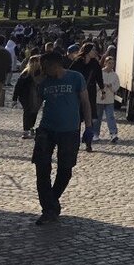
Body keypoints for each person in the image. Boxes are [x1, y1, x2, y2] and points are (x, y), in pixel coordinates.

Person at [33, 50, 92, 225]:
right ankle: (48, 209)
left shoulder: (76, 78)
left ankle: (52, 199)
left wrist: (89, 127)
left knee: (65, 170)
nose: (43, 70)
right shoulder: (44, 82)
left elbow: (85, 102)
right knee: (41, 167)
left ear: (55, 65)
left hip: (69, 130)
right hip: (47, 129)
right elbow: (34, 108)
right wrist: (35, 86)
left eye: (45, 67)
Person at [69, 43, 104, 151]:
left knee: (90, 118)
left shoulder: (95, 63)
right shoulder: (77, 62)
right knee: (77, 119)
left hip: (90, 93)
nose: (95, 52)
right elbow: (70, 75)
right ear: (88, 51)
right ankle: (76, 142)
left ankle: (89, 142)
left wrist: (103, 90)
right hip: (78, 93)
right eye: (93, 50)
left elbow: (99, 77)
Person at [12, 53, 44, 138]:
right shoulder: (26, 73)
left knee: (34, 111)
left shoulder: (41, 73)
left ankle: (31, 127)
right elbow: (18, 86)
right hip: (25, 96)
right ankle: (26, 130)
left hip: (37, 96)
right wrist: (14, 98)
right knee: (27, 111)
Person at [94, 54, 120, 142]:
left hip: (109, 99)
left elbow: (117, 87)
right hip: (99, 99)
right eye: (109, 63)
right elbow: (95, 85)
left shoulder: (115, 75)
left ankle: (113, 133)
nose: (111, 65)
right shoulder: (100, 73)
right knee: (98, 117)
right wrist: (102, 86)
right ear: (105, 63)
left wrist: (111, 86)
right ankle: (95, 133)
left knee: (110, 116)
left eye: (112, 63)